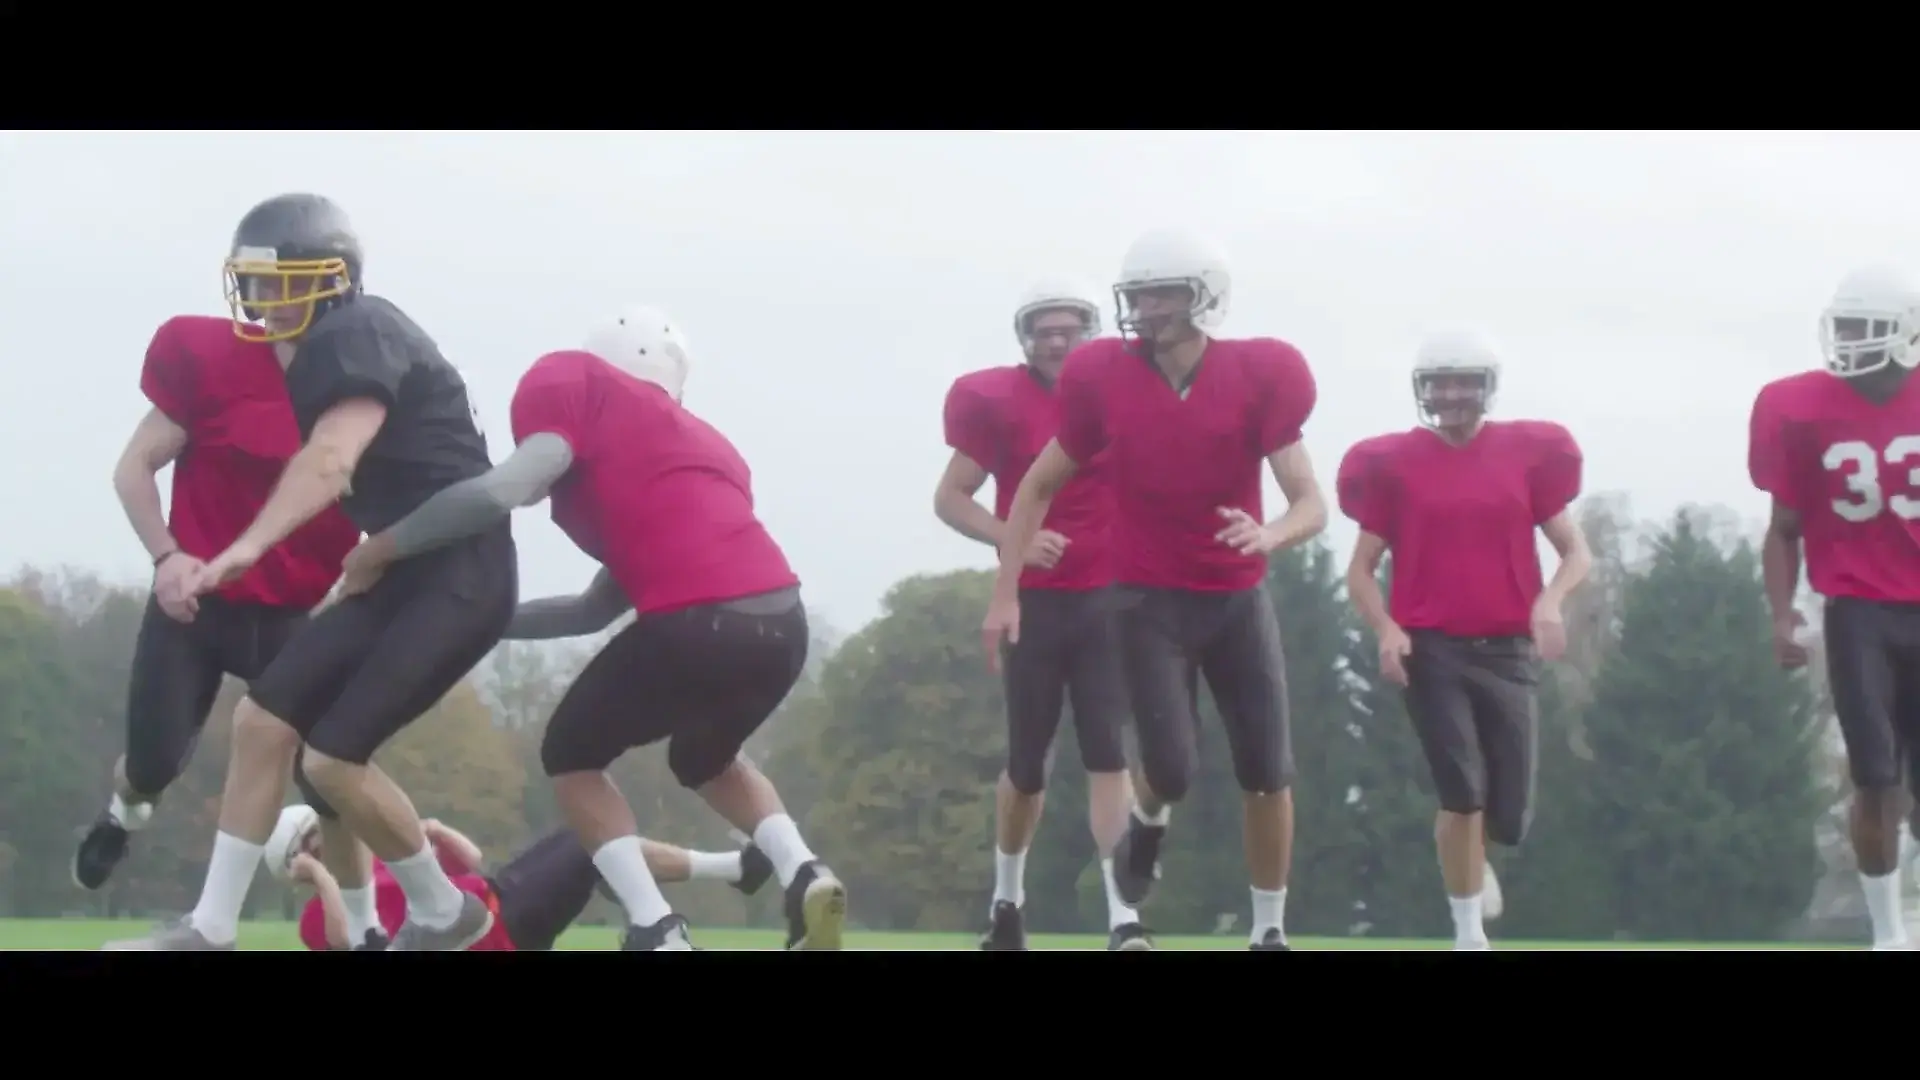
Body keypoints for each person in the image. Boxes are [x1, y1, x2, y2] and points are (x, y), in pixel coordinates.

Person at [331, 306, 847, 951]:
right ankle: (804, 872)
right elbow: (594, 608)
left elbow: (502, 490)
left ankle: (655, 926)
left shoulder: (578, 384)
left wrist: (387, 547)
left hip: (698, 619)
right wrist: (484, 622)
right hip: (781, 623)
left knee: (571, 756)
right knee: (705, 759)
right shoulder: (701, 446)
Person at [107, 193, 517, 952]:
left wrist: (246, 547)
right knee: (262, 724)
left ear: (331, 279)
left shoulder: (354, 331)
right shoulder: (325, 345)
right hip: (399, 571)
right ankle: (211, 927)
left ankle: (442, 910)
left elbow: (332, 459)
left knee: (331, 759)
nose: (262, 299)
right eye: (253, 283)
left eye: (277, 283)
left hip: (457, 574)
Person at [983, 229, 1326, 951]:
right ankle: (1147, 820)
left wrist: (1270, 535)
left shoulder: (1259, 373)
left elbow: (1310, 504)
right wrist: (1007, 589)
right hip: (1145, 599)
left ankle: (1269, 930)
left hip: (1236, 598)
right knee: (1169, 767)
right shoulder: (1103, 375)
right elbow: (1036, 487)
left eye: (1162, 293)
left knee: (1268, 772)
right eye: (1138, 295)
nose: (1145, 308)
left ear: (1204, 296)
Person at [74, 314, 360, 892]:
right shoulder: (212, 358)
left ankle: (364, 919)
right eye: (266, 282)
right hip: (196, 604)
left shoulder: (365, 380)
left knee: (333, 768)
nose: (277, 302)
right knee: (151, 765)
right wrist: (166, 556)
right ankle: (124, 812)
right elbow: (133, 467)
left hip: (292, 616)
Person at [1335, 330, 1589, 951]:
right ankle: (1468, 933)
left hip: (1507, 648)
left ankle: (1477, 860)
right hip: (1432, 648)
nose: (1450, 395)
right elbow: (1360, 569)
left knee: (1509, 817)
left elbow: (1576, 552)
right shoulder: (1397, 464)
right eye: (1439, 383)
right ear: (1422, 389)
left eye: (1463, 382)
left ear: (1486, 388)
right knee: (1461, 789)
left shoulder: (1525, 455)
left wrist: (1550, 602)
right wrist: (1387, 628)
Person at [937, 279, 1146, 951]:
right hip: (1035, 601)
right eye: (1044, 331)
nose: (1057, 342)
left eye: (1068, 330)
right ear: (1025, 339)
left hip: (1110, 597)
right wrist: (1013, 538)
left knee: (1109, 755)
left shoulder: (1121, 392)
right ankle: (1007, 903)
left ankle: (1124, 918)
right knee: (1028, 766)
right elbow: (950, 497)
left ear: (1091, 334)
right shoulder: (998, 400)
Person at [1751, 266, 1920, 951]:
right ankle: (1888, 934)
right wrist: (1781, 614)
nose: (1850, 341)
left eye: (1865, 329)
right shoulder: (1797, 406)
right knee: (1874, 776)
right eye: (1845, 327)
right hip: (1858, 610)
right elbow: (1784, 526)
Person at [266, 804, 774, 951]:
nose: (329, 839)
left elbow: (470, 861)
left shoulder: (382, 863)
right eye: (313, 841)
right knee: (590, 843)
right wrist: (320, 876)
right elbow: (345, 937)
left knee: (589, 839)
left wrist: (436, 832)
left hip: (496, 895)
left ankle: (734, 869)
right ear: (300, 862)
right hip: (495, 929)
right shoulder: (315, 917)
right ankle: (721, 880)